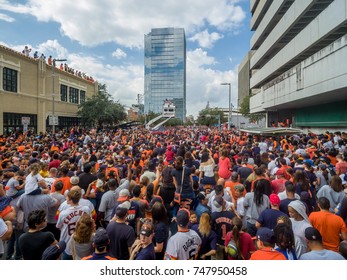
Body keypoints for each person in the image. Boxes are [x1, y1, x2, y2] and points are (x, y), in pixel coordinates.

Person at [56, 188, 92, 260]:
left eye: (67, 197)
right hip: (83, 243)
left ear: (70, 200)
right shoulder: (86, 209)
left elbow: (58, 226)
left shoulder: (63, 213)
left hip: (67, 243)